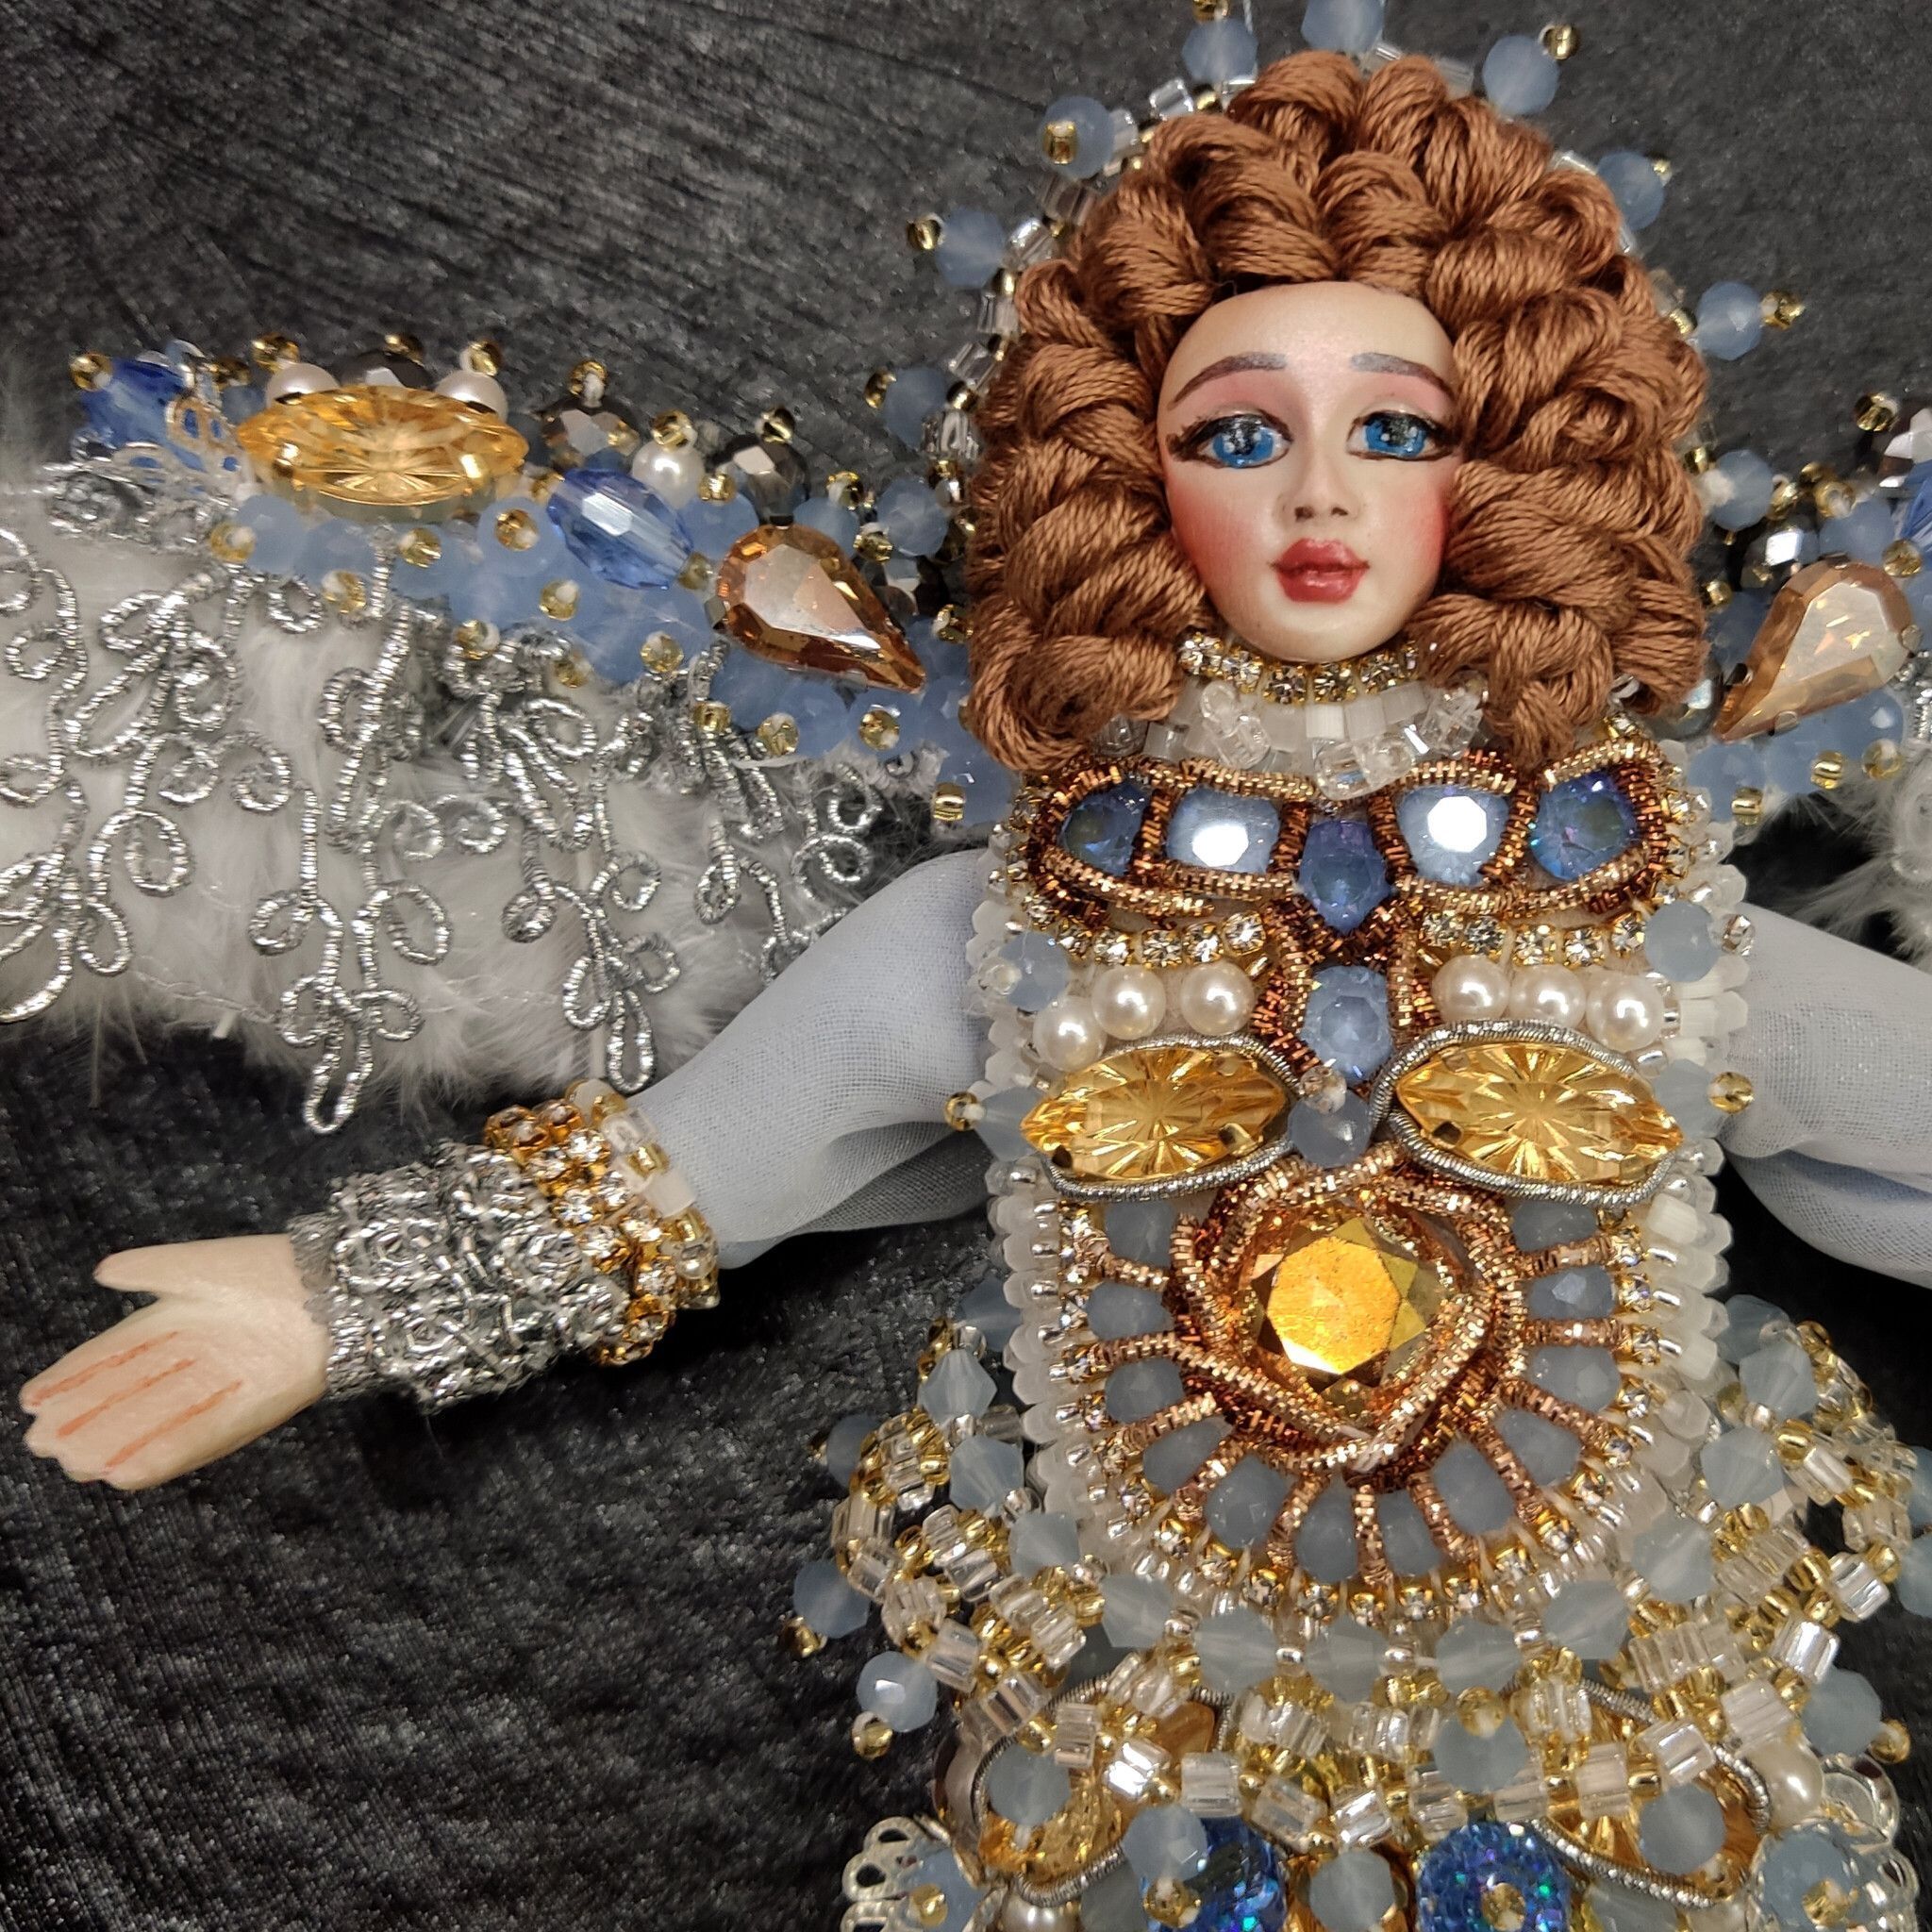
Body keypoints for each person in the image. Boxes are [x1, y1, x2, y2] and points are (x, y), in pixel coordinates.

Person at [18, 49, 1932, 1930]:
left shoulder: (1645, 914)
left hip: (1623, 1738)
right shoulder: (1023, 925)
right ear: (1128, 473)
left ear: (1509, 456)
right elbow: (686, 1175)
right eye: (1237, 434)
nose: (1317, 496)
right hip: (1150, 1759)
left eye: (1397, 431)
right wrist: (331, 1299)